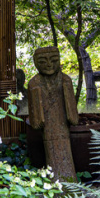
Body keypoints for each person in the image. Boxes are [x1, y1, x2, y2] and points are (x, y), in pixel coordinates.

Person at [27, 47, 79, 181]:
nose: (49, 64)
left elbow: (73, 114)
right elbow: (35, 119)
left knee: (65, 153)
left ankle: (70, 182)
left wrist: (71, 117)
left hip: (62, 126)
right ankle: (56, 183)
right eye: (43, 61)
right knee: (51, 153)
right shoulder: (34, 82)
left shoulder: (65, 80)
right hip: (48, 128)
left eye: (54, 60)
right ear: (36, 63)